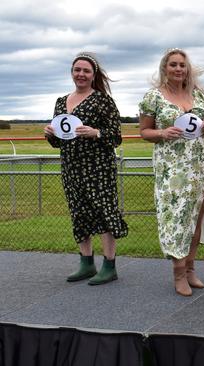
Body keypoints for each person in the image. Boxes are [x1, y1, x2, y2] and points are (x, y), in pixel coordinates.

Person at [139, 48, 204, 296]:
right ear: (165, 68)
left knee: (195, 219)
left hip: (198, 167)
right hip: (171, 170)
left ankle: (191, 269)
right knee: (176, 220)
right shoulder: (153, 97)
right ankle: (178, 272)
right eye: (173, 65)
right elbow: (144, 132)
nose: (178, 69)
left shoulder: (198, 96)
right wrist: (162, 133)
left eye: (182, 65)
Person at [44, 52, 128, 285]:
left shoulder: (102, 100)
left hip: (98, 167)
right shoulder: (61, 102)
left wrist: (96, 132)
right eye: (77, 70)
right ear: (72, 73)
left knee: (103, 212)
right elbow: (58, 140)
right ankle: (86, 262)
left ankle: (109, 265)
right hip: (71, 166)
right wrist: (49, 134)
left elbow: (116, 137)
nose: (80, 74)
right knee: (79, 212)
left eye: (86, 71)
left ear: (93, 75)